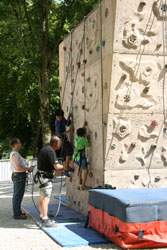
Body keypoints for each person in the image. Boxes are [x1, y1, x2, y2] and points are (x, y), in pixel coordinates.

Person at [37, 135, 64, 227]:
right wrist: (64, 166)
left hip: (40, 177)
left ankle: (42, 216)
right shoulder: (51, 151)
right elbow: (56, 166)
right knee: (46, 199)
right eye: (59, 143)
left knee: (42, 198)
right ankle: (45, 219)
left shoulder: (44, 149)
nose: (60, 145)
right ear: (55, 143)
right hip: (45, 179)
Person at [10, 138, 34, 219]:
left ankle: (18, 212)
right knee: (18, 195)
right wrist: (28, 169)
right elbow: (18, 167)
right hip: (19, 176)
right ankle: (17, 214)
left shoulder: (15, 154)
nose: (20, 144)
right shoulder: (15, 155)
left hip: (18, 175)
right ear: (15, 144)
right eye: (19, 143)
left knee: (17, 195)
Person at [55, 108, 74, 177]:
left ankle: (66, 169)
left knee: (67, 152)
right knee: (69, 150)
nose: (58, 118)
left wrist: (69, 116)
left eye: (59, 117)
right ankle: (66, 168)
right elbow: (59, 133)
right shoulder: (57, 123)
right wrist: (68, 131)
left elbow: (67, 123)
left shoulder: (62, 119)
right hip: (60, 139)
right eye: (57, 117)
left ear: (62, 116)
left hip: (63, 138)